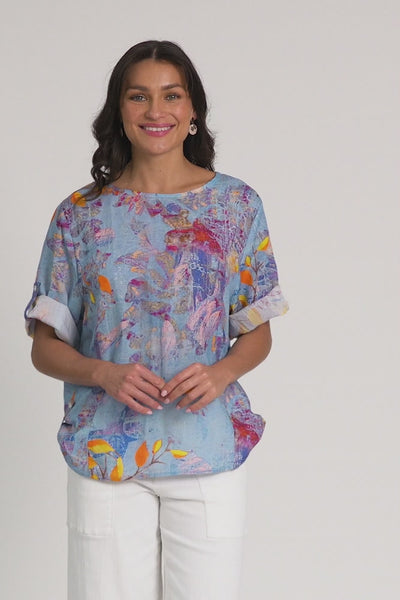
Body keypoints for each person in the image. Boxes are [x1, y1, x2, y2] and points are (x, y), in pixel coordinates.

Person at [25, 40, 288, 600]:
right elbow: (44, 346)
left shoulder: (236, 206)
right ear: (119, 110)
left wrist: (220, 373)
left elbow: (257, 329)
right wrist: (102, 373)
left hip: (207, 450)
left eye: (171, 95)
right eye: (138, 96)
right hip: (105, 455)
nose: (155, 110)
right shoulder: (80, 214)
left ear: (193, 110)